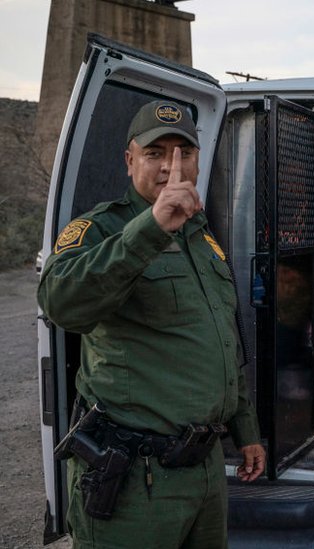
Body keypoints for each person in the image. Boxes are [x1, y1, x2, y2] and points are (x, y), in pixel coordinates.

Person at [37, 100, 266, 548]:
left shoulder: (201, 236)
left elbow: (221, 344)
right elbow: (62, 304)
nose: (171, 166)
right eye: (155, 153)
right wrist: (152, 227)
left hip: (204, 471)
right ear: (130, 161)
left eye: (184, 152)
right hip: (135, 481)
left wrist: (247, 432)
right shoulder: (100, 229)